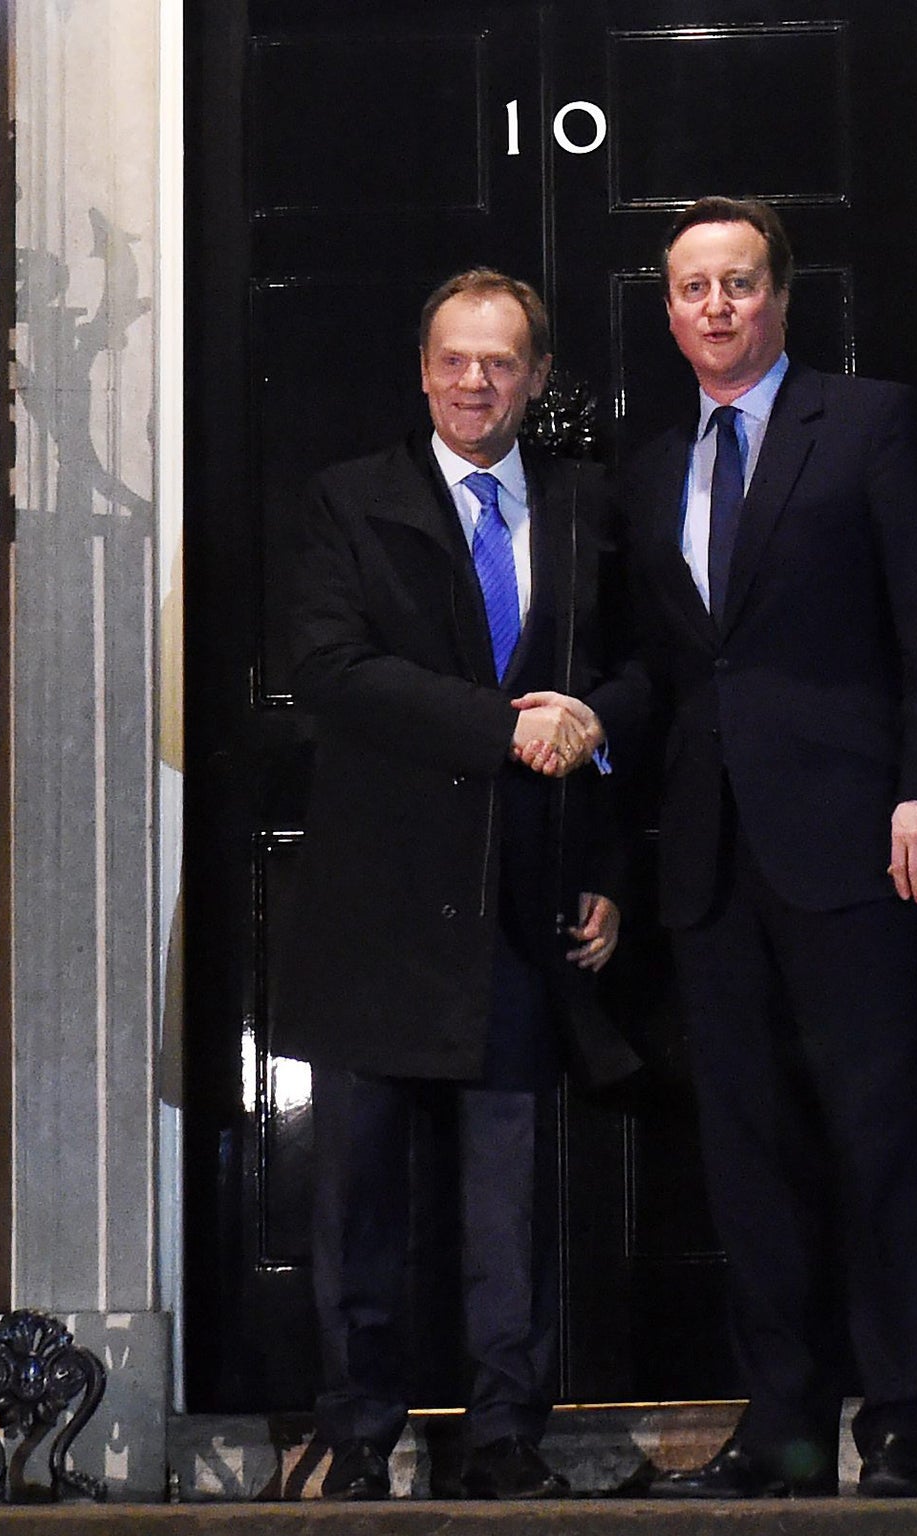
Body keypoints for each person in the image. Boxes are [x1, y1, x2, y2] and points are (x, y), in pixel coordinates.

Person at [620, 197, 917, 1499]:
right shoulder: (655, 465)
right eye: (693, 287)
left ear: (780, 296)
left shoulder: (872, 423)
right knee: (750, 1151)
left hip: (859, 842)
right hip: (714, 861)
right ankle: (782, 1424)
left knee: (881, 1133)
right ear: (668, 313)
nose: (716, 305)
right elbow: (667, 669)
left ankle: (908, 1419)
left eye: (739, 282)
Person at [279, 269, 642, 1501]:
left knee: (509, 1205)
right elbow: (329, 668)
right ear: (422, 368)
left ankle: (503, 1440)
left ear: (537, 377)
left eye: (498, 362)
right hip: (377, 906)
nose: (472, 382)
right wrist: (503, 728)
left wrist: (603, 863)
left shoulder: (590, 508)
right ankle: (359, 1435)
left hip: (522, 904)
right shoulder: (349, 500)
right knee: (361, 1204)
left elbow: (625, 681)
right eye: (451, 359)